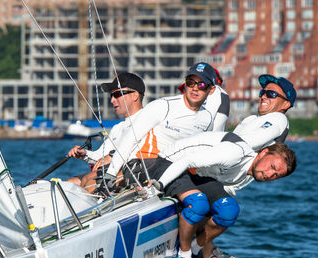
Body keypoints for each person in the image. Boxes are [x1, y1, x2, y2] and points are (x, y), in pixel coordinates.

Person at [153, 74, 298, 258]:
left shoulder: (279, 119)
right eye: (263, 92)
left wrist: (231, 148)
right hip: (199, 169)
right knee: (211, 207)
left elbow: (239, 144)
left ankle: (196, 252)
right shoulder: (251, 121)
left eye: (272, 94)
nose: (263, 96)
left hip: (219, 176)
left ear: (286, 104)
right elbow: (227, 145)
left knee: (222, 209)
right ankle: (200, 254)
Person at [94, 62, 223, 194]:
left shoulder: (207, 118)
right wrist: (111, 174)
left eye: (201, 85)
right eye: (191, 82)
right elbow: (130, 139)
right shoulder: (163, 105)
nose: (195, 88)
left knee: (227, 208)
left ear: (211, 90)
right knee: (197, 204)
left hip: (183, 169)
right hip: (149, 166)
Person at [66, 72, 146, 192]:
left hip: (133, 173)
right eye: (111, 96)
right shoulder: (118, 128)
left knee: (88, 181)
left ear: (135, 96)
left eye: (117, 94)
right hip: (110, 171)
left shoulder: (148, 119)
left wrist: (113, 156)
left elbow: (145, 150)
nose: (112, 100)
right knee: (68, 184)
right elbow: (101, 157)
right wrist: (84, 154)